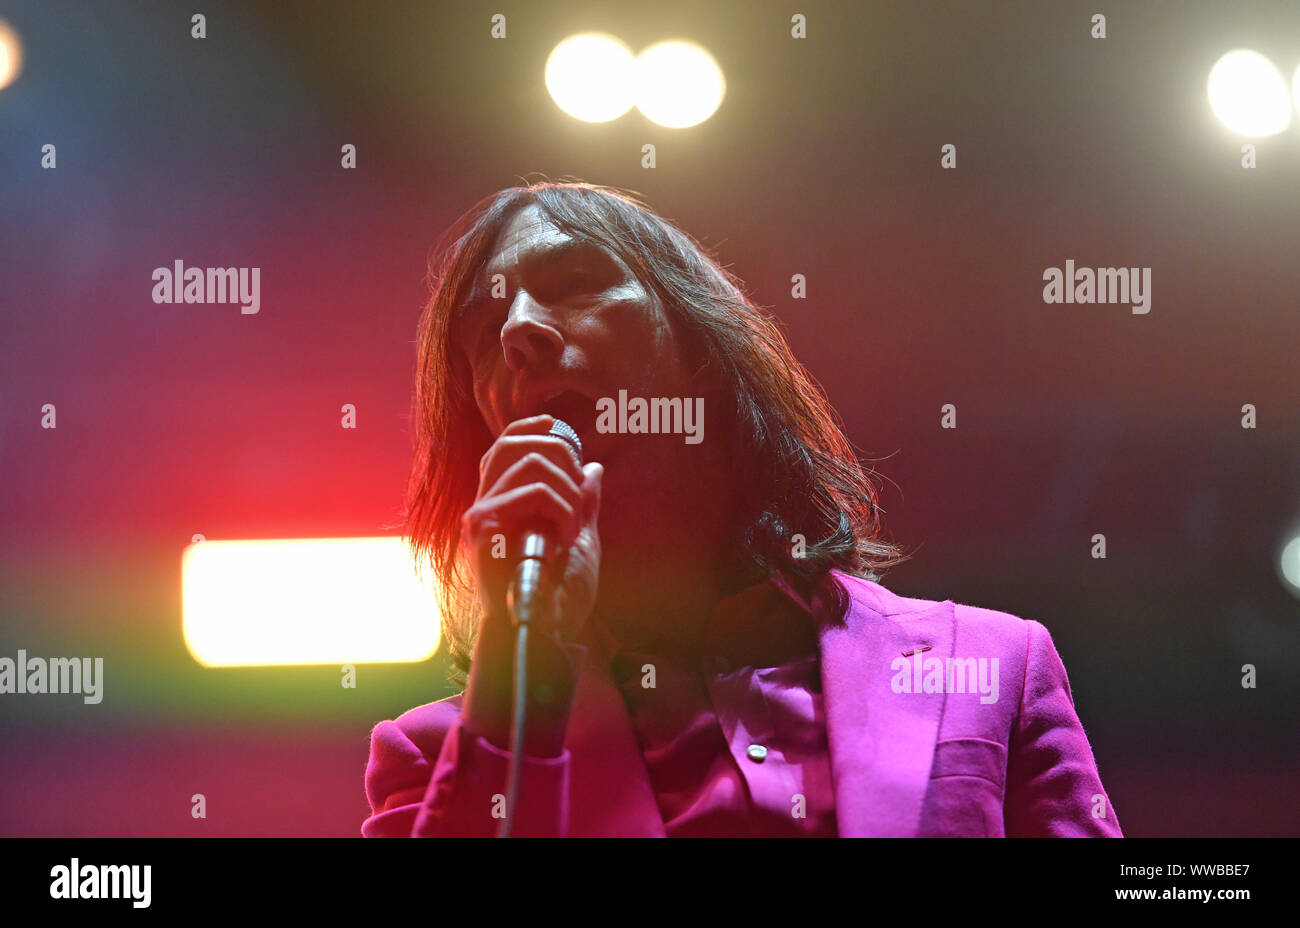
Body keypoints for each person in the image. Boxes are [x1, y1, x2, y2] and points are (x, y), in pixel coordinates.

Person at [362, 180, 1122, 837]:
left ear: (702, 345)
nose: (516, 328)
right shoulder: (432, 755)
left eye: (574, 281)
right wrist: (517, 684)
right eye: (479, 337)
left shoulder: (992, 667)